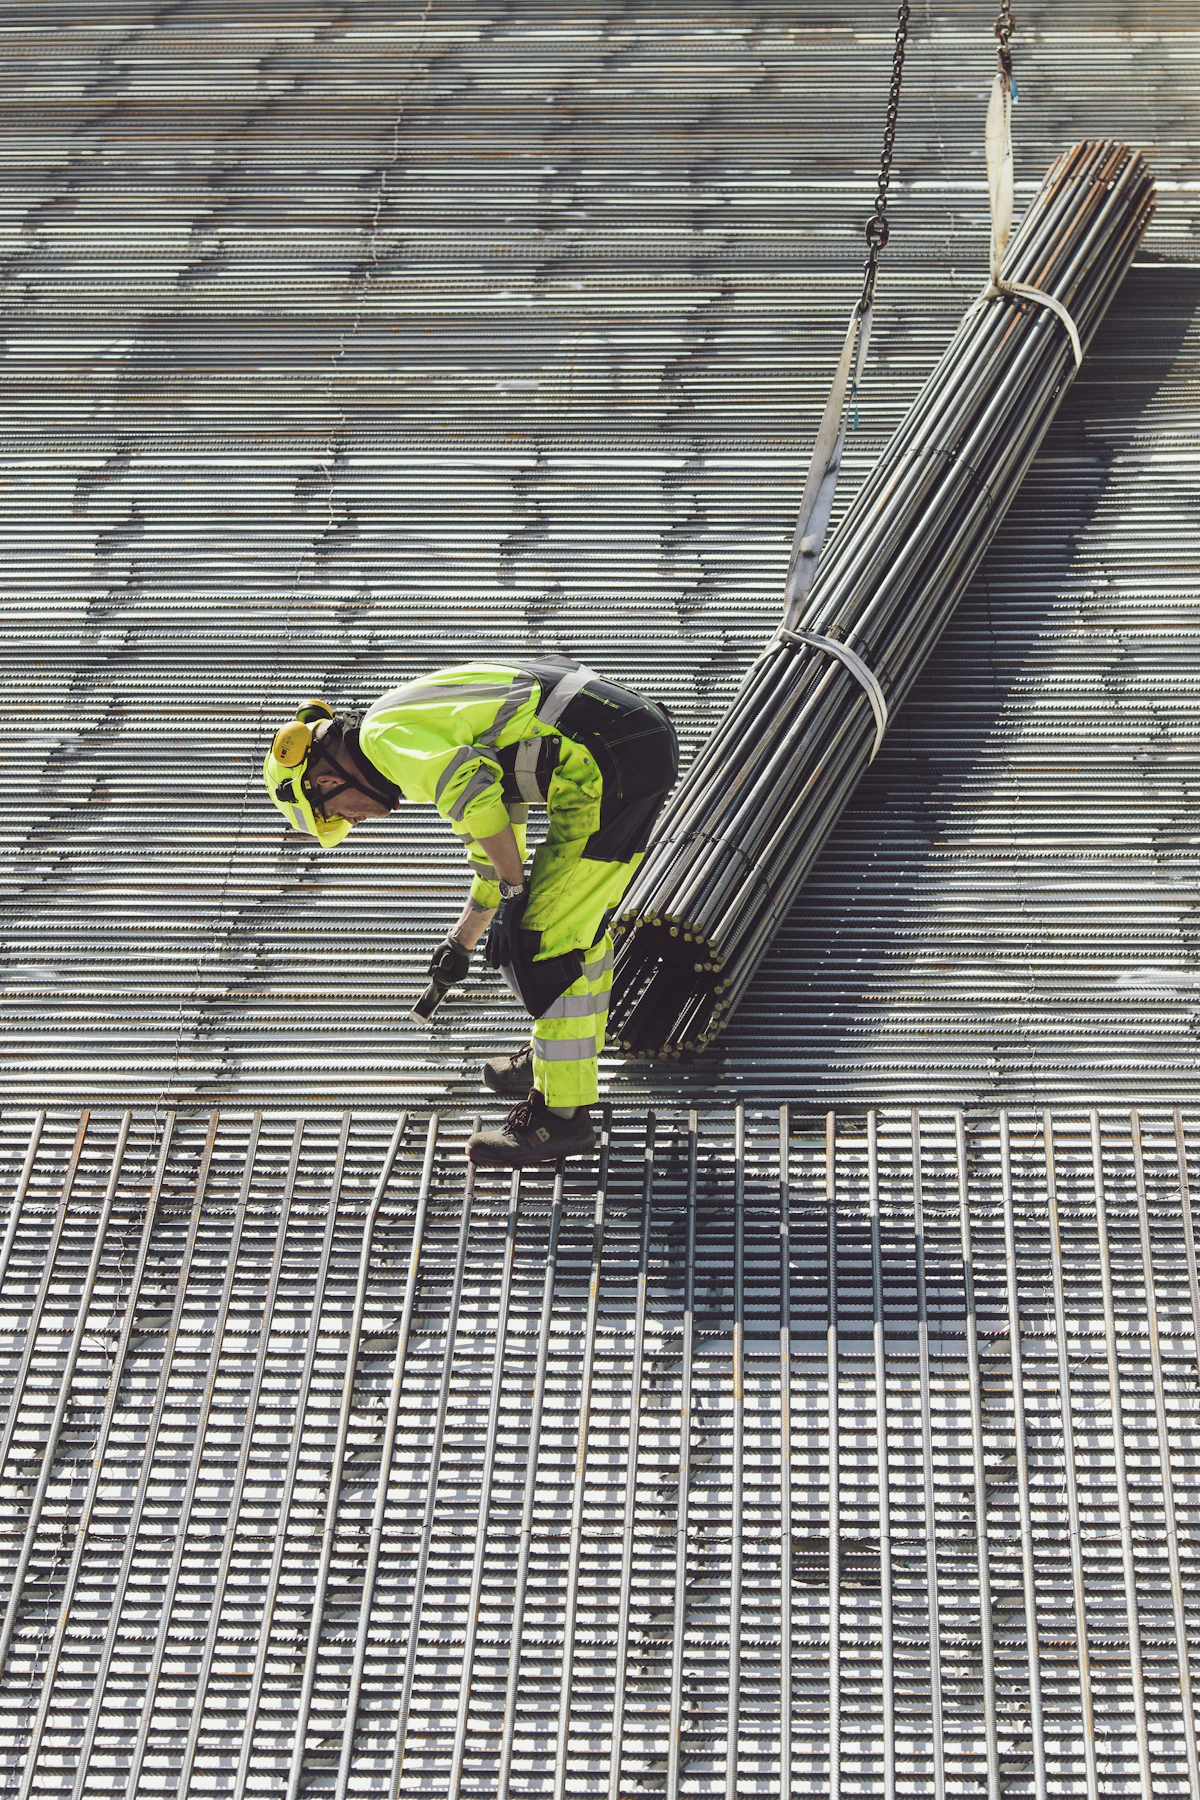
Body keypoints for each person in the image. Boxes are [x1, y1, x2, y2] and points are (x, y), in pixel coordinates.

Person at [262, 658, 678, 1166]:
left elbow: (477, 803)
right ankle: (557, 1062)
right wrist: (462, 940)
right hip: (621, 749)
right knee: (573, 930)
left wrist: (513, 895)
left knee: (544, 942)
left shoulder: (385, 743)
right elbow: (497, 832)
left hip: (608, 761)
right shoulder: (403, 726)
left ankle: (560, 1120)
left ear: (325, 782)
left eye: (340, 814)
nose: (356, 819)